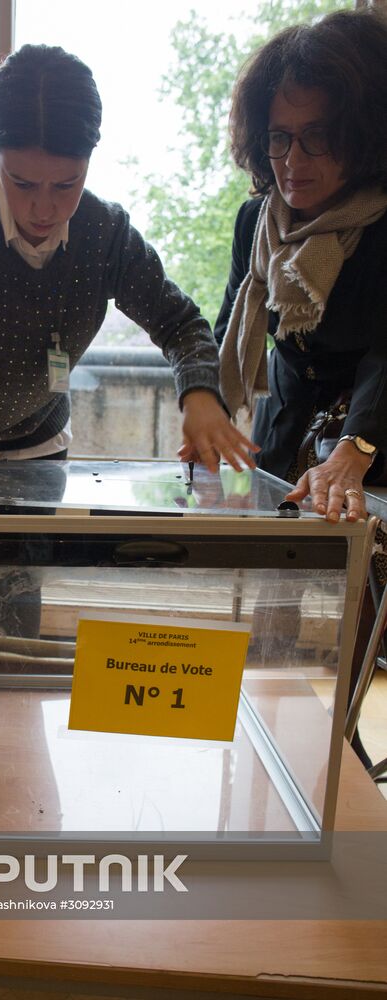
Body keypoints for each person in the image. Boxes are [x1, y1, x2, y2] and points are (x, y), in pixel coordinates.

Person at [0, 43, 258, 700]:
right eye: (23, 183)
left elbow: (180, 322)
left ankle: (7, 750)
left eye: (66, 185)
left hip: (39, 449)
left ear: (88, 166)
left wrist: (199, 394)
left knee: (20, 602)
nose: (43, 209)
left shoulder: (104, 233)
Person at [214, 8, 387, 765]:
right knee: (269, 612)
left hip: (376, 440)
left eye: (317, 136)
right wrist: (213, 421)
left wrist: (355, 451)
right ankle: (259, 754)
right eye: (279, 137)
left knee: (361, 621)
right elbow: (230, 328)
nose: (294, 158)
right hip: (286, 436)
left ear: (364, 132)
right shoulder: (257, 219)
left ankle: (336, 776)